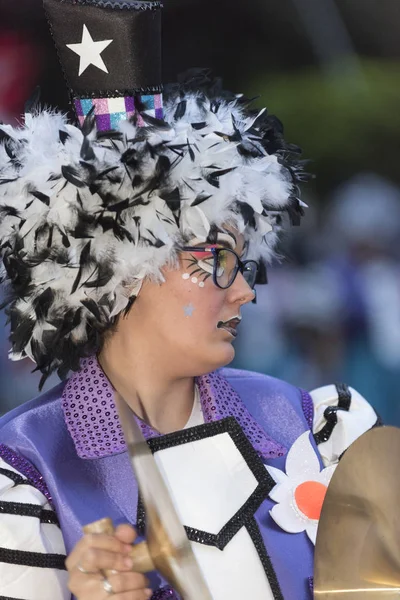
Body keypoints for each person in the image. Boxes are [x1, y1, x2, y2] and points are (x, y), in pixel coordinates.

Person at [0, 0, 379, 599]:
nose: (247, 292)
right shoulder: (26, 471)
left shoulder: (310, 424)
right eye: (215, 263)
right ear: (119, 271)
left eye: (242, 261)